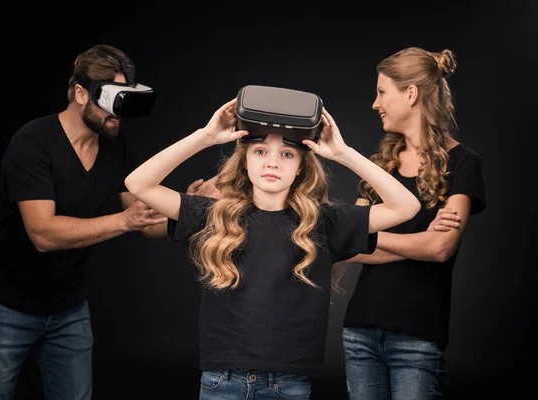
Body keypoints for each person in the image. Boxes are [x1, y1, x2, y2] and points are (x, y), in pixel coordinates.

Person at [124, 97, 421, 399]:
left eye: (287, 154)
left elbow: (406, 206)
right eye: (261, 151)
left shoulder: (324, 222)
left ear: (301, 167)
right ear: (245, 161)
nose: (272, 162)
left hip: (288, 385)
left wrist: (344, 154)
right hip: (221, 381)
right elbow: (138, 183)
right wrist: (205, 137)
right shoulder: (212, 214)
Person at [0, 44, 169, 400]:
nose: (118, 114)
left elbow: (147, 222)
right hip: (5, 306)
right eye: (112, 99)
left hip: (68, 308)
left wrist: (192, 204)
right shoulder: (32, 144)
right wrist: (124, 221)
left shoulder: (114, 147)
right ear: (80, 93)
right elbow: (43, 234)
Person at [334, 47, 487, 400]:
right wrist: (419, 240)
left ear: (411, 93)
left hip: (417, 336)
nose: (376, 103)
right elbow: (347, 247)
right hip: (360, 331)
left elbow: (441, 248)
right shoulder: (381, 165)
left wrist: (372, 234)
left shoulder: (464, 163)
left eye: (382, 92)